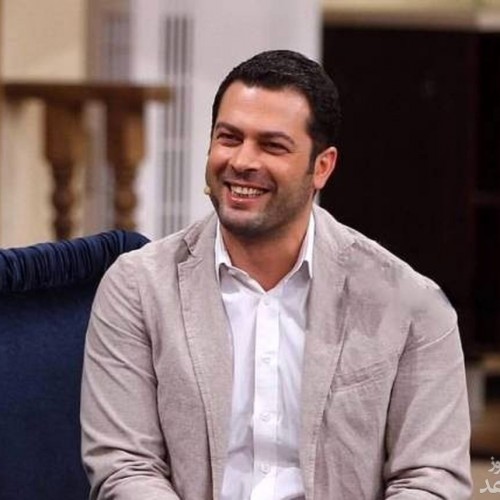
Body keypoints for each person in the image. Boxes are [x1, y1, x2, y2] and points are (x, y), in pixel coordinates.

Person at [80, 50, 472, 499]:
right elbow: (126, 467)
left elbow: (431, 479)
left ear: (321, 167)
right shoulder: (137, 287)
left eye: (272, 146)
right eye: (229, 138)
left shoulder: (412, 305)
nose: (242, 161)